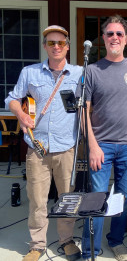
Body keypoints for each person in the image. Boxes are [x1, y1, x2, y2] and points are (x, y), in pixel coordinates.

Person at [5, 25, 82, 261]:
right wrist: (20, 114)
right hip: (37, 149)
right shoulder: (30, 73)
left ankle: (67, 240)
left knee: (67, 199)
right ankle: (37, 244)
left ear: (67, 46)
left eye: (60, 42)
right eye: (51, 43)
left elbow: (88, 104)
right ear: (45, 46)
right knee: (37, 200)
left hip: (67, 148)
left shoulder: (80, 73)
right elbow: (12, 98)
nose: (56, 46)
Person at [80, 15, 127, 261]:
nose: (114, 38)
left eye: (119, 34)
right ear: (103, 38)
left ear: (126, 39)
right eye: (110, 34)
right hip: (101, 146)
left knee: (123, 196)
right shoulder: (92, 71)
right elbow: (83, 111)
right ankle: (90, 250)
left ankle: (116, 240)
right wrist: (93, 146)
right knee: (96, 198)